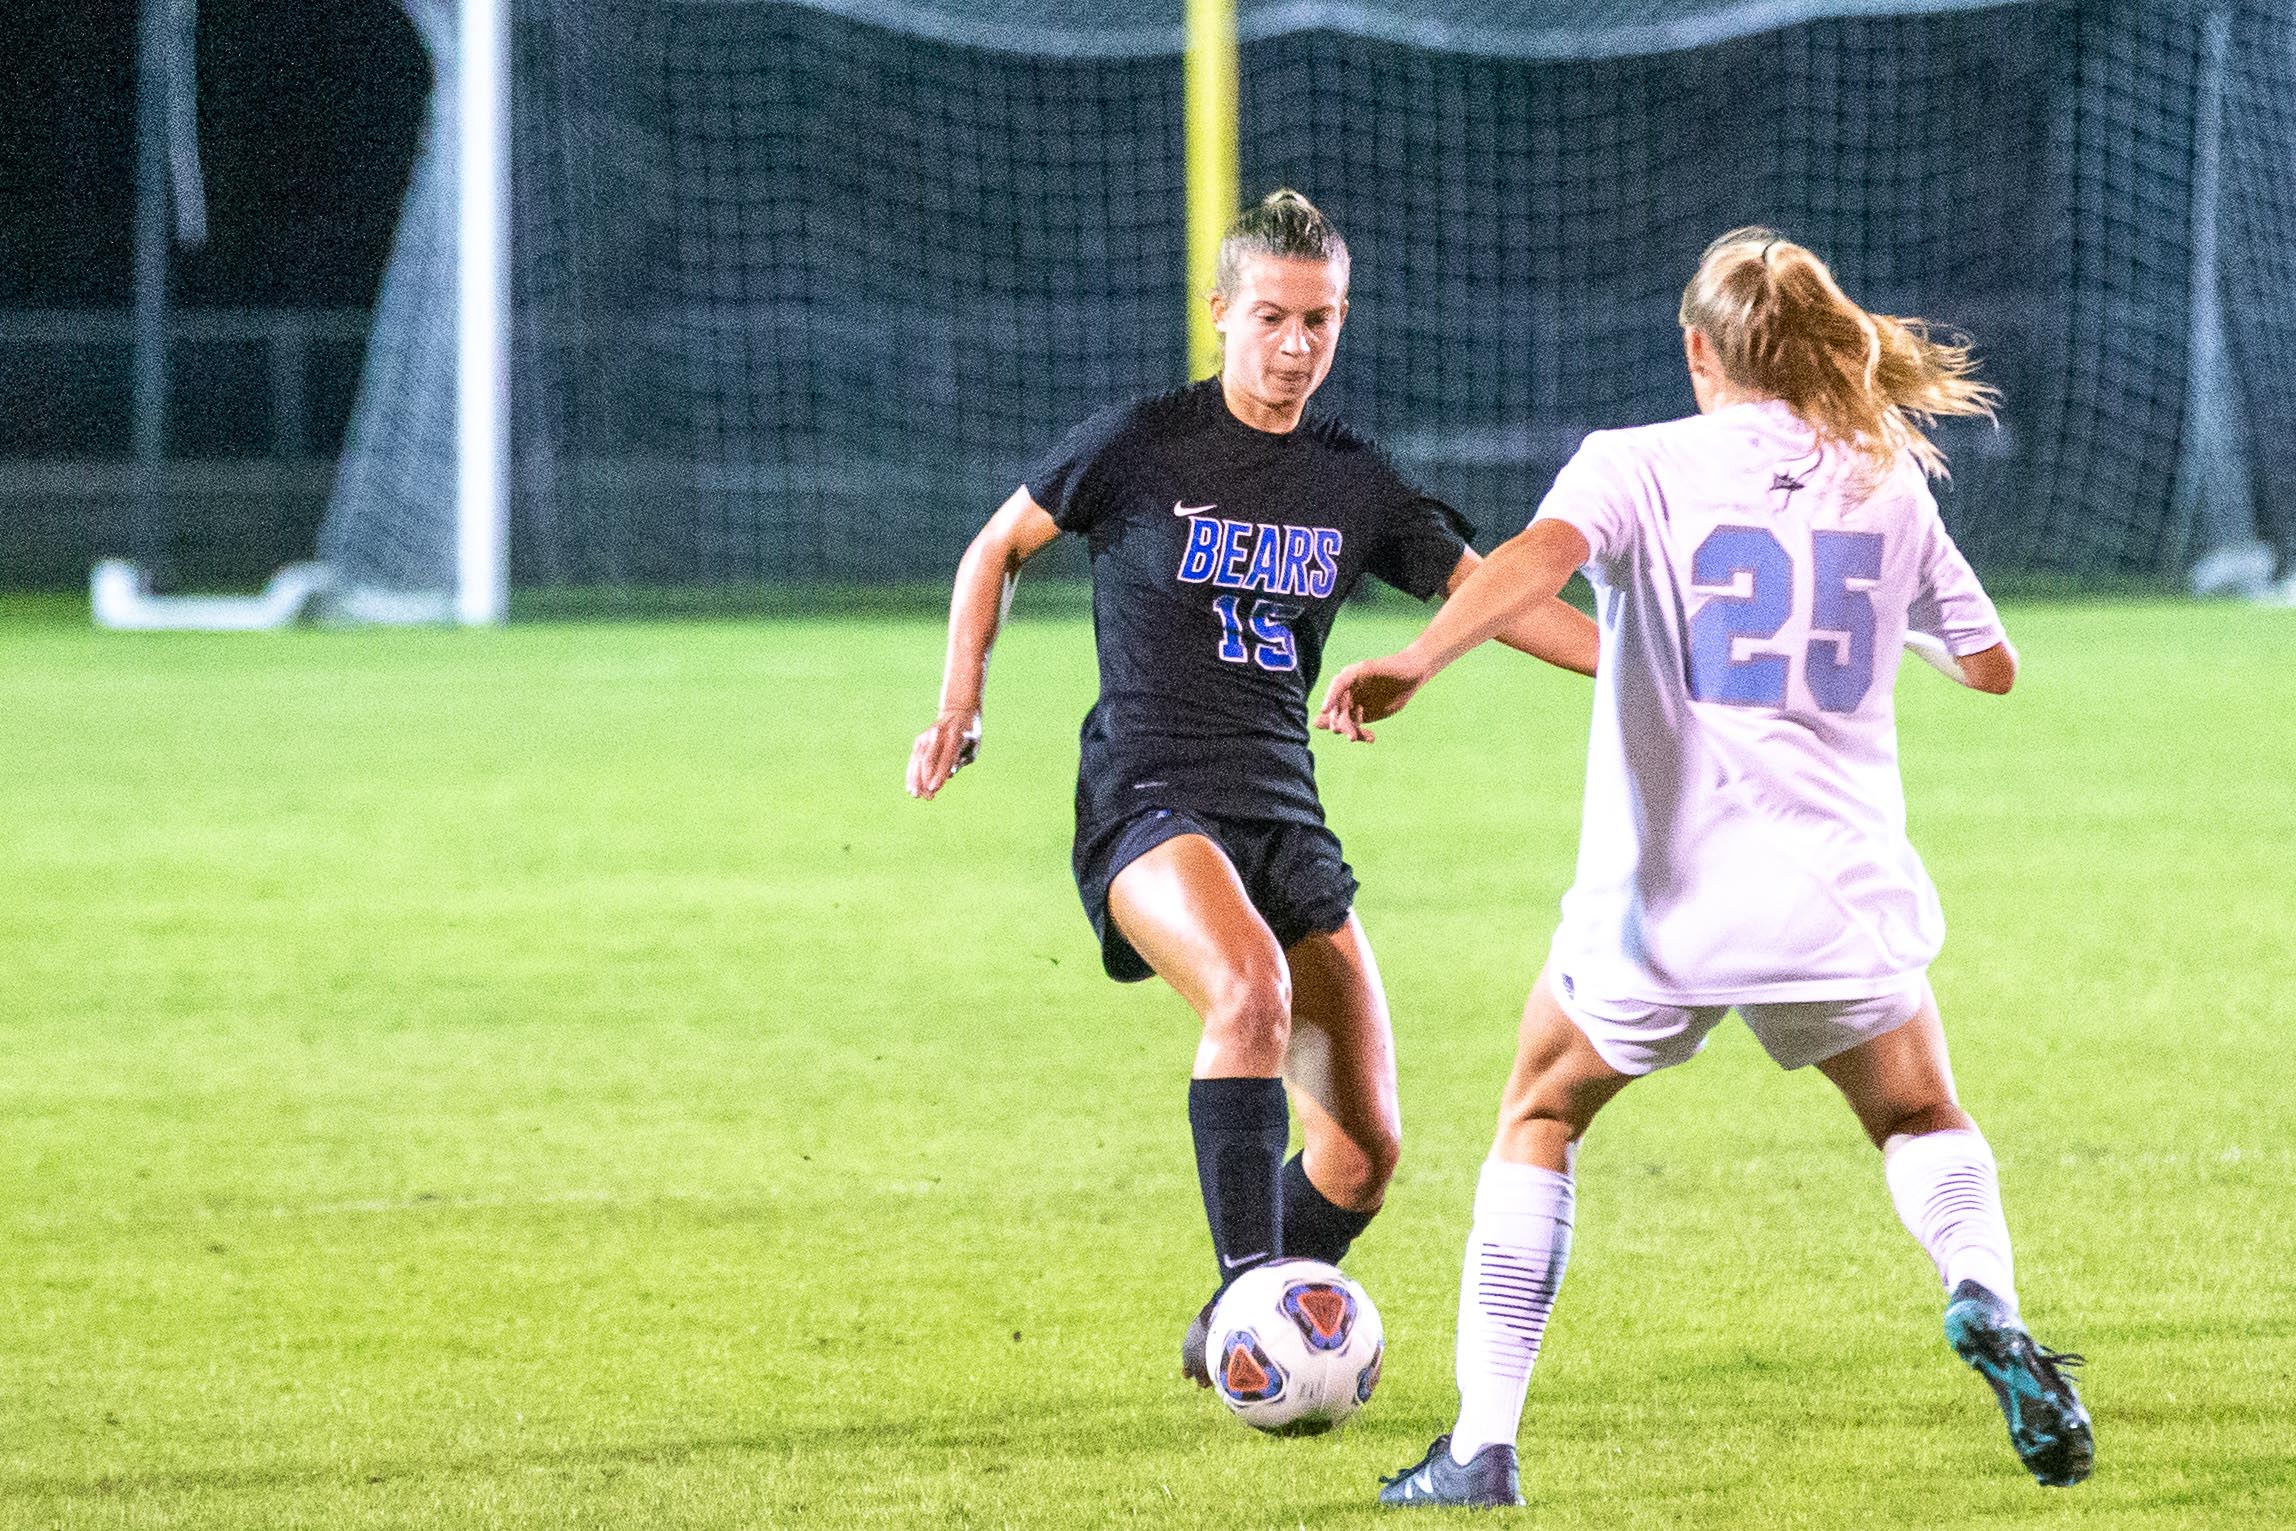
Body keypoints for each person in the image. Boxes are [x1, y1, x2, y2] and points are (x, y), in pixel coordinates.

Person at [1315, 228, 2093, 1507]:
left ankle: (1480, 1447)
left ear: (1697, 349)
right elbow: (1992, 664)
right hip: (1837, 902)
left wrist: (1416, 657)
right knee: (1917, 1115)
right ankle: (1985, 1300)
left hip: (1661, 911)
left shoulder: (1636, 465)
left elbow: (1531, 563)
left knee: (1538, 1116)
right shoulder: (1886, 480)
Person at [906, 189, 1599, 1390]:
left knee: (1363, 1149)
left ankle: (1226, 1326)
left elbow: (1492, 595)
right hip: (1147, 796)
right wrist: (961, 699)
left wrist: (1650, 669)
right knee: (1249, 989)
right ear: (1220, 311)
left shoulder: (1351, 481)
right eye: (1271, 316)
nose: (1294, 347)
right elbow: (994, 549)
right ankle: (1250, 1308)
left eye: (1319, 322)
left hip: (1282, 809)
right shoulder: (1140, 442)